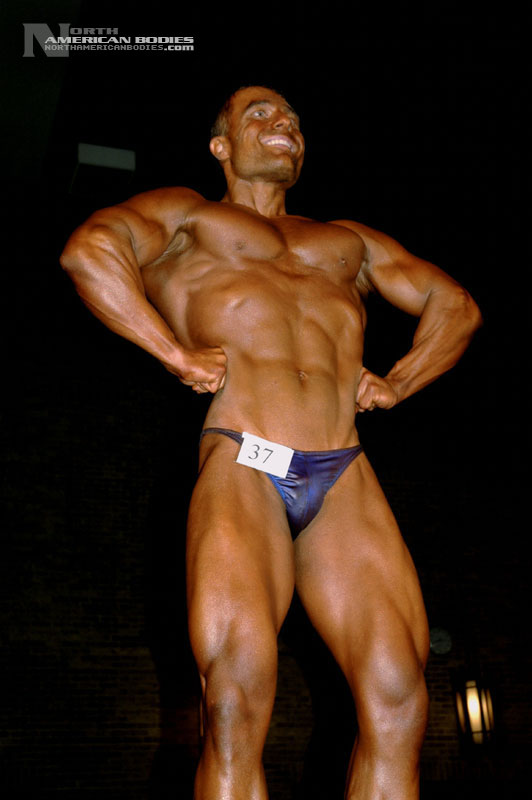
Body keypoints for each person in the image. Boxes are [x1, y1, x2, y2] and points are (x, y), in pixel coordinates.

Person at [60, 85, 482, 799]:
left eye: (293, 118)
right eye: (260, 112)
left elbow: (456, 305)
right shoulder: (189, 216)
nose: (283, 121)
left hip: (342, 467)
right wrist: (173, 353)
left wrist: (399, 381)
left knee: (400, 695)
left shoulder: (346, 243)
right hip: (245, 457)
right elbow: (89, 251)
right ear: (221, 145)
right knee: (236, 692)